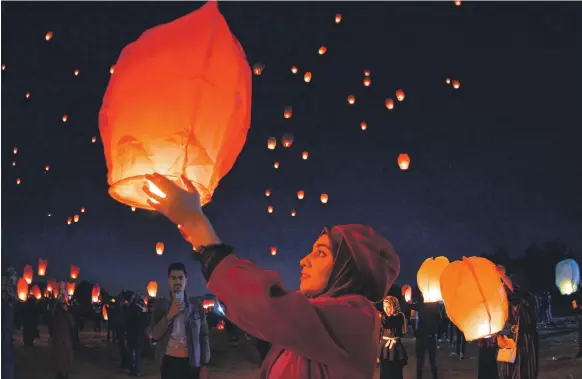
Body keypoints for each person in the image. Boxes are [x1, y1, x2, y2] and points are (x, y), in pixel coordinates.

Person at [142, 173, 401, 379]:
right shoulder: (317, 323)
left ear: (348, 270)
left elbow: (269, 306)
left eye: (321, 253)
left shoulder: (356, 317)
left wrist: (200, 229)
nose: (304, 260)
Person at [150, 262, 211, 379]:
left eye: (180, 277)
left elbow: (204, 335)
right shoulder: (161, 305)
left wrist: (205, 364)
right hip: (169, 360)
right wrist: (169, 315)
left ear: (186, 280)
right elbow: (154, 335)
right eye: (173, 278)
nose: (177, 281)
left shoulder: (196, 305)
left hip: (192, 360)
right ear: (168, 280)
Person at [497, 273, 539, 379]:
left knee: (525, 371)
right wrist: (498, 337)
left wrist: (503, 276)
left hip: (526, 339)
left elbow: (517, 296)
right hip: (511, 339)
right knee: (507, 370)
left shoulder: (529, 299)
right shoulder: (509, 304)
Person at [409, 295, 441, 379]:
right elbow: (439, 321)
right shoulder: (435, 307)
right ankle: (434, 377)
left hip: (422, 337)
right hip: (430, 337)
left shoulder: (421, 305)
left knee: (421, 361)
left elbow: (408, 307)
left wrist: (416, 331)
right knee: (432, 361)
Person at [379, 296, 408, 379]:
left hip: (395, 348)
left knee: (395, 371)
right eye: (384, 307)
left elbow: (387, 323)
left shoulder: (399, 317)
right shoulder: (385, 316)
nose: (386, 310)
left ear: (394, 306)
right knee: (384, 370)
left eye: (388, 307)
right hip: (384, 347)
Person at [125, 293, 150, 377]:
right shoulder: (141, 310)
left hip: (130, 333)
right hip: (138, 334)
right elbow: (145, 322)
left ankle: (132, 369)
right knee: (137, 352)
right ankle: (136, 370)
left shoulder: (128, 309)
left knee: (131, 351)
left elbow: (126, 321)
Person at [51, 295, 75, 379]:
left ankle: (64, 372)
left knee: (65, 355)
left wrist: (67, 312)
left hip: (65, 336)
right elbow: (51, 314)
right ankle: (60, 372)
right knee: (59, 355)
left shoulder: (67, 313)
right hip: (58, 335)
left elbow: (72, 324)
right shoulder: (56, 312)